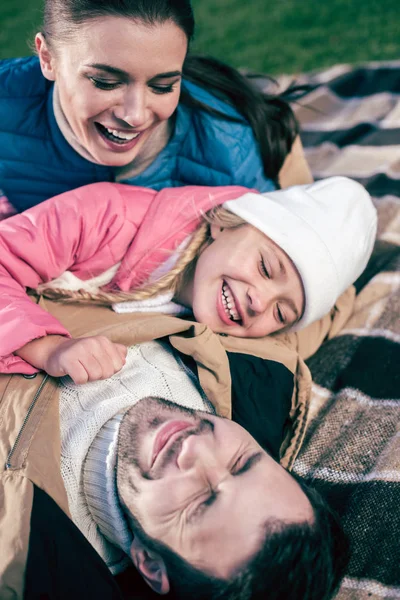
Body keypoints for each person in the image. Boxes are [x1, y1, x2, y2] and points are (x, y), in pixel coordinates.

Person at [1, 327, 350, 600]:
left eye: (198, 503)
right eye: (242, 461)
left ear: (150, 566)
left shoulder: (25, 536)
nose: (195, 448)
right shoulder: (252, 370)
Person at [0, 176, 376, 384]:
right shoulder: (105, 216)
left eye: (281, 312)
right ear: (223, 223)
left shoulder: (229, 314)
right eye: (265, 267)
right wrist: (48, 349)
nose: (260, 302)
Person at [0, 0, 312, 215]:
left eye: (162, 86)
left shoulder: (227, 152)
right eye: (106, 82)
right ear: (47, 59)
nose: (134, 115)